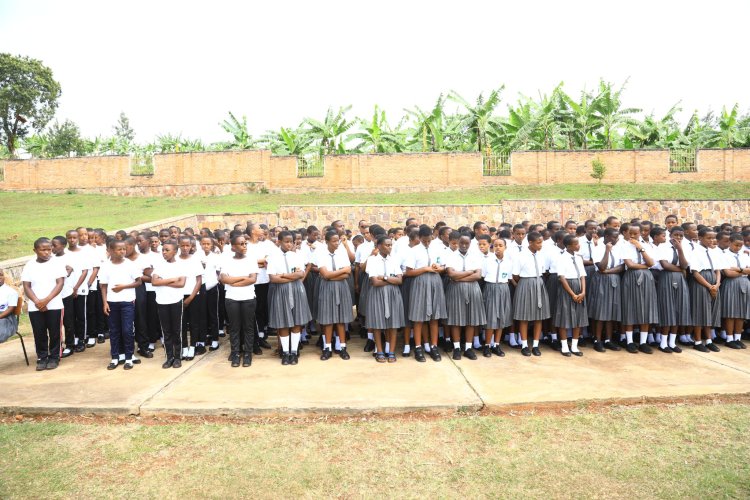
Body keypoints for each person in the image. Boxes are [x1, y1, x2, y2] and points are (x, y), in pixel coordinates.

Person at [21, 238, 66, 371]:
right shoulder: (29, 265)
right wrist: (37, 302)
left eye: (49, 249)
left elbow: (60, 283)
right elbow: (26, 286)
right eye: (43, 250)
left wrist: (45, 301)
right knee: (39, 332)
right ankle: (42, 357)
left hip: (54, 304)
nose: (47, 252)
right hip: (35, 306)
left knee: (55, 332)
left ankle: (54, 357)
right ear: (35, 250)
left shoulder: (56, 263)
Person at [267, 231, 312, 365]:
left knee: (296, 322)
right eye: (286, 242)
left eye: (291, 242)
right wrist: (291, 277)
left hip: (296, 290)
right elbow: (273, 278)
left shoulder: (296, 256)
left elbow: (300, 274)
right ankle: (285, 352)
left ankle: (294, 351)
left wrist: (283, 275)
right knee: (283, 322)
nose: (289, 244)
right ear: (279, 242)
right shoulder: (273, 257)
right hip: (281, 291)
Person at [405, 226, 448, 363]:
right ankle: (418, 347)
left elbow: (443, 267)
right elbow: (408, 272)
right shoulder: (414, 251)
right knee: (419, 317)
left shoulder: (437, 249)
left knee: (434, 317)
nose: (427, 243)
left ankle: (434, 346)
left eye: (429, 240)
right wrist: (424, 269)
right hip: (420, 283)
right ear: (419, 238)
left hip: (435, 282)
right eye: (424, 241)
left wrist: (438, 268)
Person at [99, 240, 142, 370]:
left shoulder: (130, 264)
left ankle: (129, 357)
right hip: (112, 303)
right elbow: (103, 286)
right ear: (111, 251)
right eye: (119, 249)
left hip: (127, 302)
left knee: (127, 330)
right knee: (114, 331)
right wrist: (105, 302)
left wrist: (123, 287)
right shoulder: (105, 266)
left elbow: (139, 282)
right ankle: (115, 357)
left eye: (124, 249)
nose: (123, 251)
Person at [219, 234, 259, 367]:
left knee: (248, 327)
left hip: (248, 298)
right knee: (234, 327)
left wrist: (233, 281)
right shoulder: (227, 261)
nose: (244, 246)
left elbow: (252, 279)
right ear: (233, 247)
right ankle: (235, 353)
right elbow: (224, 279)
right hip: (232, 299)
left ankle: (247, 354)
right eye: (241, 244)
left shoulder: (251, 260)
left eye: (245, 243)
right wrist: (243, 278)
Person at [445, 234, 486, 360]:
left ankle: (468, 348)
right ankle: (457, 348)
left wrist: (459, 277)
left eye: (466, 243)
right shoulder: (451, 255)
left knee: (471, 319)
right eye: (461, 243)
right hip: (455, 290)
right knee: (455, 319)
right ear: (458, 242)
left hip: (473, 289)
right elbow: (451, 274)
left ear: (470, 244)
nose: (463, 245)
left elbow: (478, 276)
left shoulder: (476, 256)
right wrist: (469, 272)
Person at [620, 224, 659, 354]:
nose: (632, 236)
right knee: (630, 308)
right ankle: (630, 341)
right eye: (630, 233)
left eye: (635, 233)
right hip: (631, 277)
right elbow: (630, 265)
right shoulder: (624, 246)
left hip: (646, 278)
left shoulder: (647, 246)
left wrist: (640, 248)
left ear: (641, 233)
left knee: (646, 308)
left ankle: (643, 342)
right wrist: (645, 266)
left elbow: (651, 263)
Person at [365, 235, 405, 363]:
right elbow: (375, 282)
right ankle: (380, 351)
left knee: (393, 324)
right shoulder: (372, 260)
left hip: (393, 294)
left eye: (391, 245)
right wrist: (391, 280)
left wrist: (385, 277)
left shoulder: (394, 259)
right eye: (387, 245)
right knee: (377, 324)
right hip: (377, 293)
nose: (390, 247)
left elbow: (399, 280)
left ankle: (391, 352)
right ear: (379, 246)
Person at [315, 230, 354, 360]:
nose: (337, 243)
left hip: (342, 287)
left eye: (338, 240)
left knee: (341, 319)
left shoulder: (342, 252)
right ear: (327, 241)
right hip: (327, 288)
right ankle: (327, 348)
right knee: (328, 320)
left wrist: (330, 276)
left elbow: (347, 274)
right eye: (334, 241)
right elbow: (325, 274)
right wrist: (340, 272)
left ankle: (342, 347)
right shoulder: (321, 253)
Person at [511, 232, 550, 357]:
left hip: (539, 283)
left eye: (541, 242)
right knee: (524, 317)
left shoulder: (541, 255)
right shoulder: (520, 256)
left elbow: (543, 271)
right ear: (530, 242)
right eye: (538, 242)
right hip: (525, 283)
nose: (541, 245)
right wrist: (525, 284)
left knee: (539, 317)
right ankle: (524, 345)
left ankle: (536, 345)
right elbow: (515, 275)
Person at [151, 241, 187, 369]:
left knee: (177, 330)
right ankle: (169, 357)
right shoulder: (159, 266)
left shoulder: (180, 265)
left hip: (176, 301)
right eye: (163, 250)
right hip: (162, 301)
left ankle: (177, 357)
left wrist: (162, 281)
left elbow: (181, 284)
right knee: (166, 331)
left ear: (175, 252)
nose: (164, 252)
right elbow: (154, 282)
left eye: (167, 250)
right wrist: (172, 279)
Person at [655, 227, 690, 353]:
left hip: (680, 279)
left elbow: (685, 265)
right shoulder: (663, 247)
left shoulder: (684, 247)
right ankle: (663, 343)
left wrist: (680, 249)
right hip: (666, 278)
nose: (678, 238)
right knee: (667, 308)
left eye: (681, 236)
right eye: (676, 235)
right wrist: (680, 269)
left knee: (678, 309)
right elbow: (665, 265)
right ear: (670, 235)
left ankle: (672, 342)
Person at [689, 228, 723, 352]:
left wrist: (717, 285)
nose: (711, 240)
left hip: (714, 283)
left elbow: (718, 270)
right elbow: (695, 273)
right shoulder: (695, 252)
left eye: (713, 238)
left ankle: (709, 340)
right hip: (701, 283)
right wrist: (709, 286)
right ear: (700, 238)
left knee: (711, 312)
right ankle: (698, 341)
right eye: (708, 238)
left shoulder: (713, 252)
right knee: (700, 311)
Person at [554, 235, 588, 357]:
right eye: (576, 244)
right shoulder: (561, 258)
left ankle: (574, 346)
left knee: (578, 318)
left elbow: (582, 276)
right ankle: (564, 346)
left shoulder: (578, 258)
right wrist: (572, 294)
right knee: (564, 317)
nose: (578, 246)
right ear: (568, 246)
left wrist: (583, 292)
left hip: (579, 288)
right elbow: (562, 278)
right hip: (567, 288)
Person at [481, 237, 513, 357]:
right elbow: (483, 275)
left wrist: (501, 288)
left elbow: (508, 278)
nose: (498, 248)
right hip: (490, 288)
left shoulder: (509, 262)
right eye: (495, 245)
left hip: (503, 289)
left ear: (505, 247)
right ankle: (487, 345)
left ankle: (496, 344)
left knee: (501, 317)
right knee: (490, 318)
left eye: (500, 245)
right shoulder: (488, 260)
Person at [177, 235, 205, 361]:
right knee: (181, 323)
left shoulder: (195, 260)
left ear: (191, 246)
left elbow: (199, 281)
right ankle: (184, 347)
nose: (185, 248)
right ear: (178, 245)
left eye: (187, 245)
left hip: (193, 295)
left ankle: (193, 347)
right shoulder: (175, 260)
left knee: (194, 322)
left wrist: (190, 298)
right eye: (182, 245)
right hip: (178, 296)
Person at [720, 233, 750, 349]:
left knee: (741, 313)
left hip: (744, 284)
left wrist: (738, 269)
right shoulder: (724, 255)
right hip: (731, 284)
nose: (738, 247)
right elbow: (728, 273)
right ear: (730, 243)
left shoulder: (744, 255)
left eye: (740, 245)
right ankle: (729, 338)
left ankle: (738, 338)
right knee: (730, 312)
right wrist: (744, 271)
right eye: (736, 245)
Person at [198, 235, 221, 352]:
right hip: (201, 288)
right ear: (200, 244)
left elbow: (218, 272)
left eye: (208, 244)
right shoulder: (197, 257)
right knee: (202, 313)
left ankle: (215, 339)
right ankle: (205, 336)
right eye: (204, 244)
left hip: (212, 287)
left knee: (213, 313)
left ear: (212, 245)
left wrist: (216, 281)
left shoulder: (216, 257)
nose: (206, 246)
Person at [0, 269, 20, 344]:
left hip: (7, 319)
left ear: (4, 277)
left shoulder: (11, 292)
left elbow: (10, 309)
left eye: (1, 275)